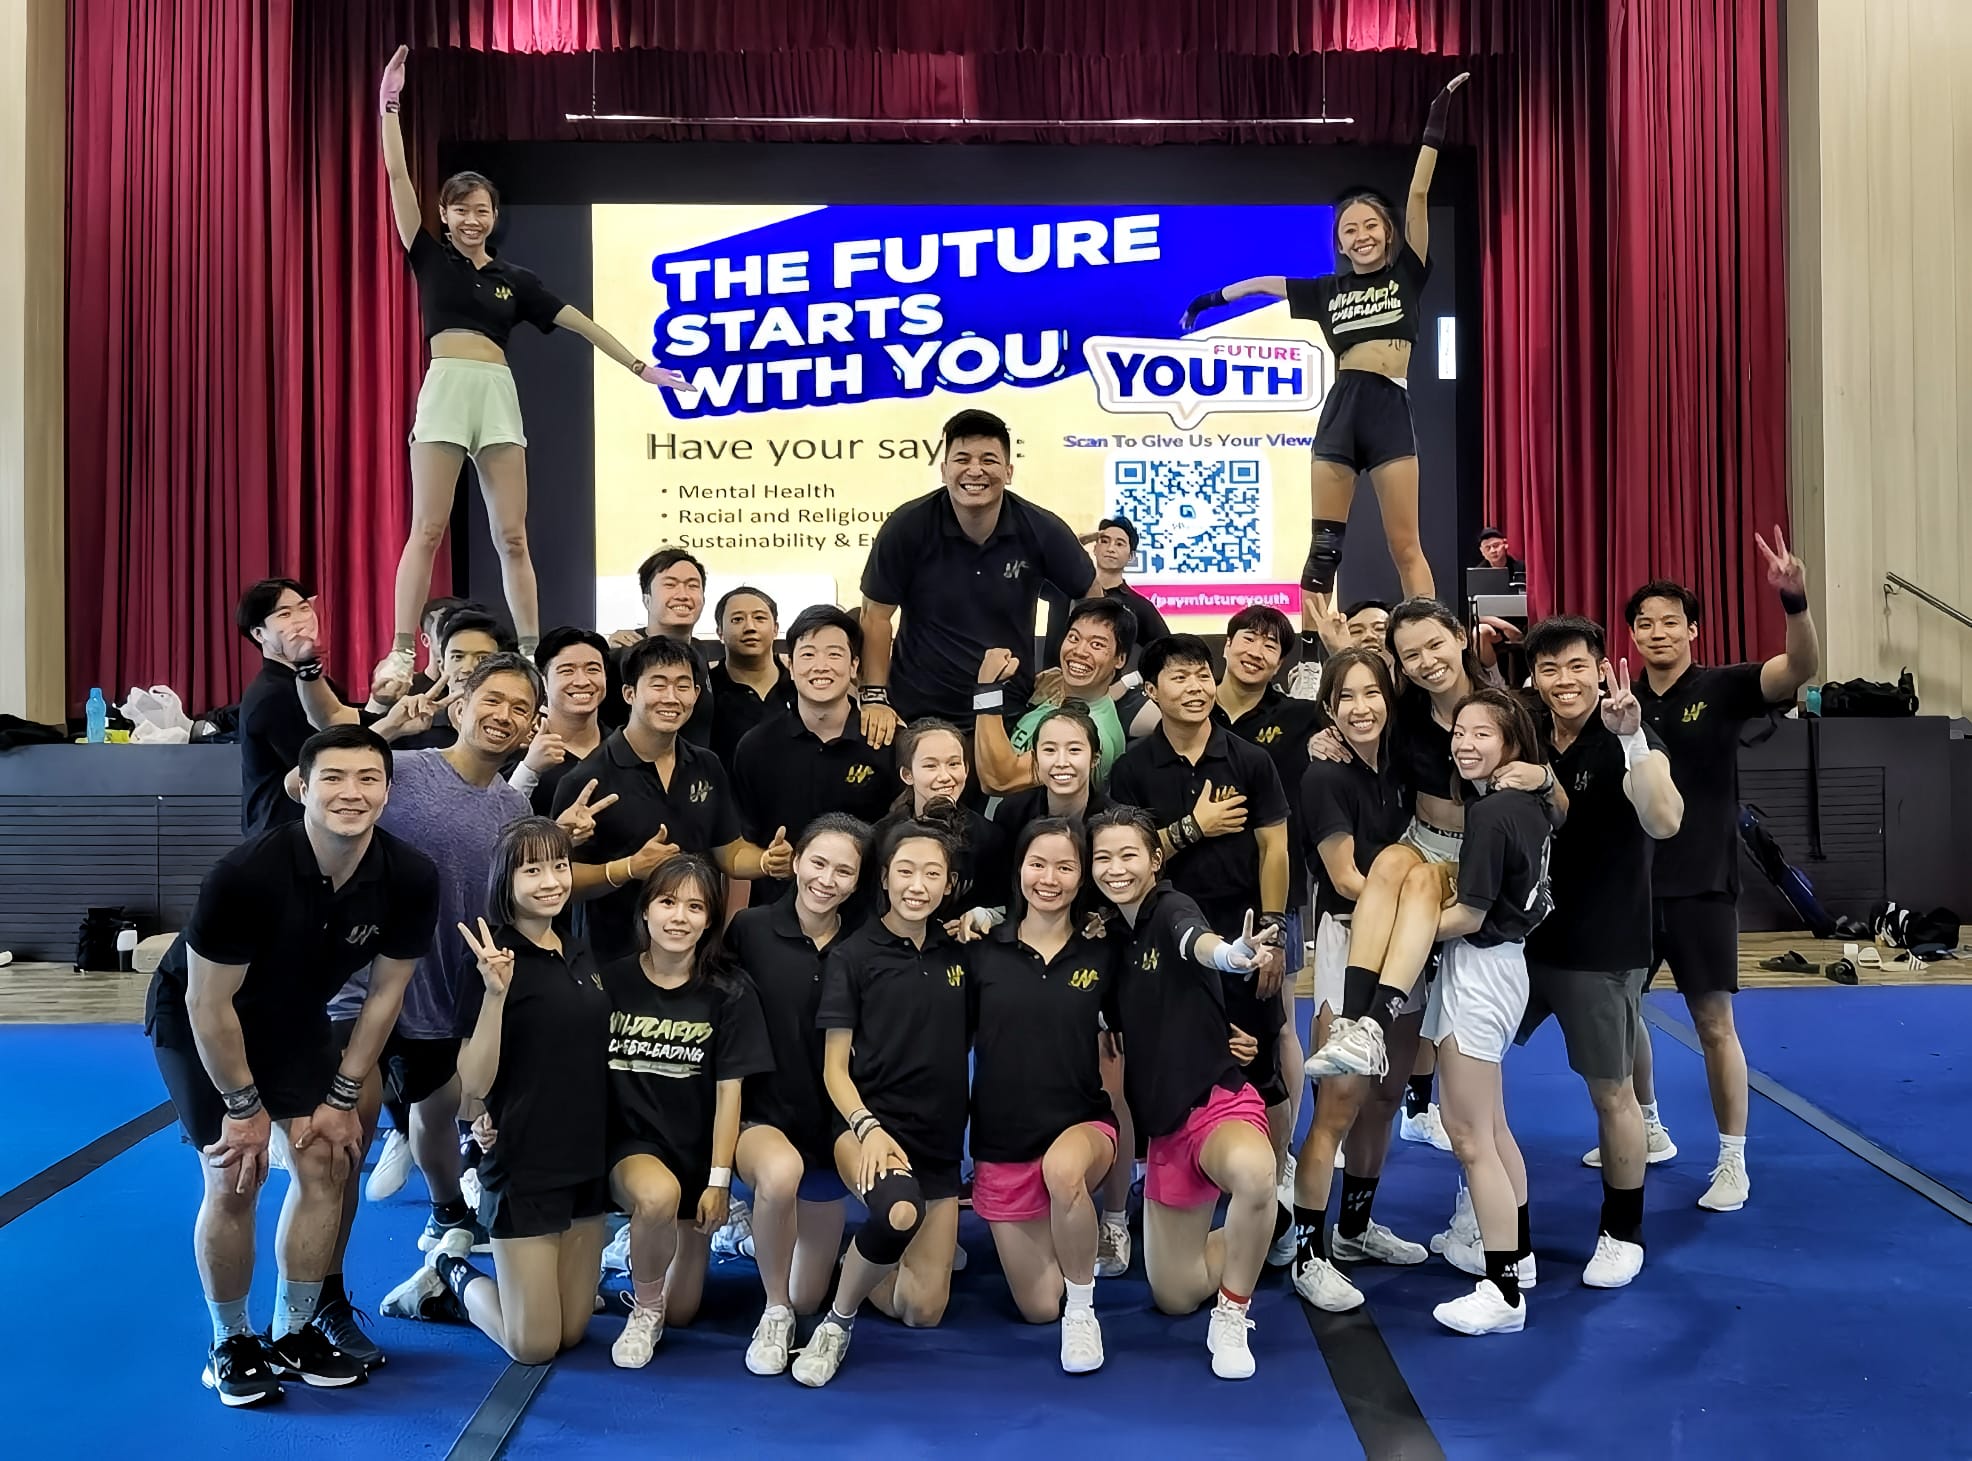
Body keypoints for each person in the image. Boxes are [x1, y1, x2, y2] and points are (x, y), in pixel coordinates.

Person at [146, 725, 438, 1405]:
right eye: (333, 776)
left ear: (388, 791)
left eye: (369, 778)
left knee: (328, 1158)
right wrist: (247, 1111)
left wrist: (343, 1095)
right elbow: (208, 1001)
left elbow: (386, 993)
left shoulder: (408, 875)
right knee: (236, 1176)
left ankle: (295, 1330)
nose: (352, 792)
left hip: (295, 1018)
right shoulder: (246, 875)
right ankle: (231, 1341)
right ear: (302, 786)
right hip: (201, 1021)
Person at [373, 45, 687, 675]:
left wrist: (641, 368)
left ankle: (528, 651)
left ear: (494, 216)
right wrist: (390, 104)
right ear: (444, 214)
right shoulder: (429, 256)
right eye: (458, 208)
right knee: (427, 528)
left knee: (511, 535)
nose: (469, 218)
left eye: (480, 209)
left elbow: (582, 324)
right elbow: (399, 177)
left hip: (496, 394)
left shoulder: (516, 280)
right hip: (447, 388)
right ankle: (402, 651)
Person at [1178, 75, 1469, 600]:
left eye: (1369, 225)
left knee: (1406, 546)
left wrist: (1435, 120)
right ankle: (1314, 661)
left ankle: (1430, 637)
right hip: (1342, 407)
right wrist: (1213, 298)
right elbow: (1267, 283)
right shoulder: (1326, 289)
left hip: (1388, 408)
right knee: (1324, 551)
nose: (1360, 236)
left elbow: (1420, 191)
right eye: (1348, 230)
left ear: (1387, 231)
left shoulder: (1408, 272)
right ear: (1340, 242)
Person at [1617, 530, 1819, 1213]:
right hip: (1629, 888)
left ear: (1693, 629)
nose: (1656, 632)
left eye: (1669, 620)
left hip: (1702, 881)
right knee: (1617, 1015)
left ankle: (1732, 1159)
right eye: (1644, 623)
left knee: (1713, 1024)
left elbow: (1798, 670)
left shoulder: (1724, 686)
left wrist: (1794, 599)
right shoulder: (1620, 700)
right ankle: (1646, 1126)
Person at [378, 818, 611, 1363]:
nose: (551, 880)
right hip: (526, 1159)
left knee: (572, 1332)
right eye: (533, 870)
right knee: (533, 1346)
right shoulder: (489, 961)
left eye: (559, 865)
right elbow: (473, 1086)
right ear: (505, 881)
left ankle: (472, 1277)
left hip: (588, 1155)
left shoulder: (578, 950)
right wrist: (496, 994)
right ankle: (450, 1271)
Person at [1518, 617, 1683, 1288]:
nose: (1564, 680)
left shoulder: (1627, 737)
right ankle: (1486, 1212)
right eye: (1550, 668)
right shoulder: (1524, 730)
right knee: (1466, 1070)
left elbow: (1664, 818)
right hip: (1520, 941)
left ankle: (1623, 1230)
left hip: (1601, 945)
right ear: (1535, 677)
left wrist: (1633, 738)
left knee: (1611, 1095)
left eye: (1576, 666)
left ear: (1600, 667)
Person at [1108, 635, 1293, 1233]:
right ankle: (1163, 1191)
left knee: (1257, 1061)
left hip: (1239, 935)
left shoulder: (1249, 760)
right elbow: (1121, 860)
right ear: (1152, 691)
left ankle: (1270, 1193)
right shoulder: (1132, 770)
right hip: (1158, 941)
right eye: (1180, 677)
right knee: (1163, 1065)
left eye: (1202, 675)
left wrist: (1271, 934)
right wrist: (1194, 827)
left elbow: (1274, 848)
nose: (1196, 688)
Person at [1086, 807, 1278, 1379]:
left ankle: (1234, 1310)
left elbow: (1200, 943)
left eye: (1129, 855)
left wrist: (1235, 956)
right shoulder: (1108, 934)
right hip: (1164, 1127)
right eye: (1103, 857)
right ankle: (1265, 1223)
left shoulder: (1171, 907)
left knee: (1253, 1174)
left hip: (1214, 1104)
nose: (1116, 868)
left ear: (1154, 860)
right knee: (1174, 1293)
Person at [791, 820, 974, 1387]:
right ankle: (838, 1322)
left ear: (949, 885)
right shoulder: (854, 955)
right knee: (898, 1210)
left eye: (932, 874)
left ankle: (861, 1260)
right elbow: (833, 1068)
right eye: (905, 871)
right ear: (886, 878)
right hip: (866, 1130)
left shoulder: (961, 954)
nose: (918, 885)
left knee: (924, 1311)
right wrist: (866, 1126)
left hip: (938, 1143)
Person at [1289, 648, 1430, 1314]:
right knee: (1339, 1103)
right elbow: (1345, 877)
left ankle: (1354, 1229)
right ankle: (1310, 1253)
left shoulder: (1403, 758)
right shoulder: (1324, 775)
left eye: (1372, 693)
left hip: (1411, 941)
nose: (1360, 707)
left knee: (1386, 1095)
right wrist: (1409, 883)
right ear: (1329, 707)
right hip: (1353, 941)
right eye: (1345, 696)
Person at [595, 855, 774, 1368]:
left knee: (685, 1311)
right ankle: (643, 1307)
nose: (679, 917)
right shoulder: (610, 983)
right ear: (645, 911)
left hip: (694, 1153)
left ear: (711, 919)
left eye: (695, 906)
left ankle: (655, 1273)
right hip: (630, 1146)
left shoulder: (730, 992)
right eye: (667, 902)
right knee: (657, 1197)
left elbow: (730, 1095)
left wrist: (719, 1181)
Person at [1414, 691, 1556, 1335]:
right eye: (1459, 732)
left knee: (1471, 1137)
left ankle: (1501, 1290)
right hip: (1499, 967)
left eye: (1482, 734)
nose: (1464, 743)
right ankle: (1516, 1256)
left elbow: (1468, 915)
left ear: (1512, 745)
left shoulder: (1494, 811)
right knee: (1492, 1129)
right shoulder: (1520, 803)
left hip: (1482, 968)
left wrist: (1400, 929)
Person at [955, 818, 1119, 1373]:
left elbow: (1156, 1010)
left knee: (1063, 1172)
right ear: (1019, 869)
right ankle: (1067, 1269)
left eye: (1065, 867)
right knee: (1038, 1306)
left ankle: (1084, 1311)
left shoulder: (1102, 951)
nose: (1049, 879)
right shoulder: (980, 952)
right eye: (1038, 864)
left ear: (1082, 877)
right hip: (1003, 1143)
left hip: (1081, 1126)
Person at [724, 815, 871, 1375]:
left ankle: (791, 1286)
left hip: (829, 1122)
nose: (827, 880)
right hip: (764, 1117)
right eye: (818, 863)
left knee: (813, 1294)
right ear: (796, 862)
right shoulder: (751, 929)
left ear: (858, 882)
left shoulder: (864, 943)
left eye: (843, 871)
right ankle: (774, 1310)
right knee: (780, 1176)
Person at [858, 408, 1096, 739]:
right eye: (962, 459)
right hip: (917, 713)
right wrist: (874, 697)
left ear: (1009, 471)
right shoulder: (907, 527)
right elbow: (875, 616)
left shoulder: (1042, 529)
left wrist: (1072, 672)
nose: (975, 470)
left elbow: (1093, 599)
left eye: (988, 460)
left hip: (1007, 712)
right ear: (943, 470)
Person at [554, 635, 793, 962]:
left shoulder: (707, 764)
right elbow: (562, 881)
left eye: (683, 686)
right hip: (615, 959)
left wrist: (767, 862)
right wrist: (627, 868)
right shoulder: (585, 780)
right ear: (629, 693)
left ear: (696, 694)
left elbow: (730, 853)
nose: (671, 697)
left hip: (693, 953)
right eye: (658, 685)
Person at [1215, 603, 1327, 1168]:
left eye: (1271, 646)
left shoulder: (1302, 717)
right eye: (1248, 639)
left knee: (1277, 1015)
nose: (1256, 651)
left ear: (1282, 661)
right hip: (1199, 895)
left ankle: (1281, 1155)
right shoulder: (1191, 708)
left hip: (1271, 895)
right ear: (1228, 644)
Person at [731, 605, 896, 909]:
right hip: (779, 914)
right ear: (790, 666)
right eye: (808, 655)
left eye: (834, 654)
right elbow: (740, 845)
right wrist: (767, 861)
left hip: (866, 917)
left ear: (854, 666)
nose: (821, 666)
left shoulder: (886, 741)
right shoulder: (756, 747)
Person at [974, 596, 1138, 792]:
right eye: (1074, 638)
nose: (1079, 651)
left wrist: (987, 689)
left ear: (1120, 659)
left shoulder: (1088, 731)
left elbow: (998, 781)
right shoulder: (1066, 695)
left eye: (1097, 645)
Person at [868, 718, 1013, 916]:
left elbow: (1001, 903)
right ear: (907, 775)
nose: (945, 776)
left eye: (954, 764)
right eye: (930, 766)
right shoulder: (880, 836)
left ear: (966, 769)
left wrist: (985, 918)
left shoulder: (989, 837)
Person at [602, 548, 717, 746]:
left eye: (692, 586)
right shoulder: (621, 655)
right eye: (670, 585)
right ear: (647, 599)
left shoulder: (700, 652)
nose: (682, 595)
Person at [510, 627, 610, 815]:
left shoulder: (624, 748)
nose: (582, 681)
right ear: (544, 681)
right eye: (567, 671)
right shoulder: (520, 753)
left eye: (593, 669)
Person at [707, 586, 795, 765]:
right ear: (720, 632)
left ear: (775, 629)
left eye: (759, 618)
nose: (750, 627)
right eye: (737, 619)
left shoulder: (800, 687)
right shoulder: (705, 692)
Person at [1080, 515, 1170, 655]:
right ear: (1095, 548)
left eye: (1120, 544)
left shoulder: (1140, 606)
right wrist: (1071, 549)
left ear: (1131, 556)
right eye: (1104, 541)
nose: (1110, 548)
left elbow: (1168, 652)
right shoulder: (1072, 591)